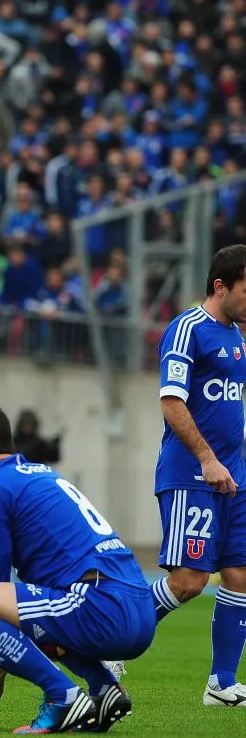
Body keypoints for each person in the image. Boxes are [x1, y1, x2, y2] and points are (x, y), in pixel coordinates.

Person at [0, 401, 155, 734]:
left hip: (98, 605)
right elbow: (15, 609)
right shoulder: (39, 474)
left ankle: (64, 697)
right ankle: (104, 691)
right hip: (137, 607)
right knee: (33, 610)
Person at [151, 243, 246, 707]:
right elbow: (172, 401)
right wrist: (208, 459)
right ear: (221, 286)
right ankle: (108, 641)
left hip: (236, 477)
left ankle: (221, 683)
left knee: (240, 575)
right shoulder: (187, 329)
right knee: (188, 581)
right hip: (193, 473)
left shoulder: (239, 337)